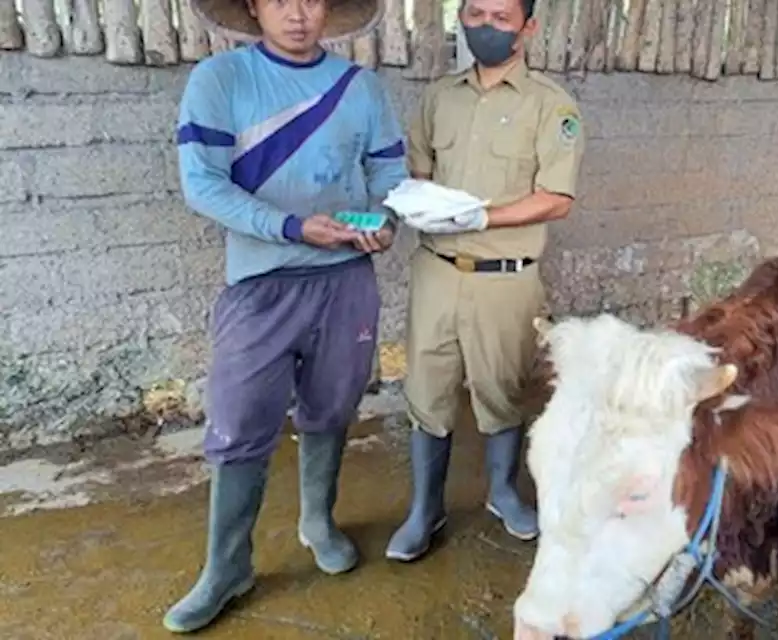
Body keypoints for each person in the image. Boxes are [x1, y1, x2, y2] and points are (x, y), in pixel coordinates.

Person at [163, 0, 408, 632]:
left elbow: (389, 175)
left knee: (332, 406)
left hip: (346, 281)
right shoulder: (221, 81)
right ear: (252, 7)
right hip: (259, 284)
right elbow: (203, 185)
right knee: (239, 418)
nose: (296, 13)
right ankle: (226, 567)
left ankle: (317, 522)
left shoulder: (361, 89)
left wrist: (385, 221)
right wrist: (292, 227)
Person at [384, 0, 586, 562]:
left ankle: (502, 492)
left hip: (505, 278)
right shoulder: (438, 98)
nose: (486, 27)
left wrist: (483, 217)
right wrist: (413, 203)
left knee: (502, 391)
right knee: (427, 389)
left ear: (528, 28)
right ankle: (426, 509)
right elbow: (419, 173)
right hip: (437, 272)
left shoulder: (551, 106)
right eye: (474, 14)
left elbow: (558, 198)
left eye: (501, 17)